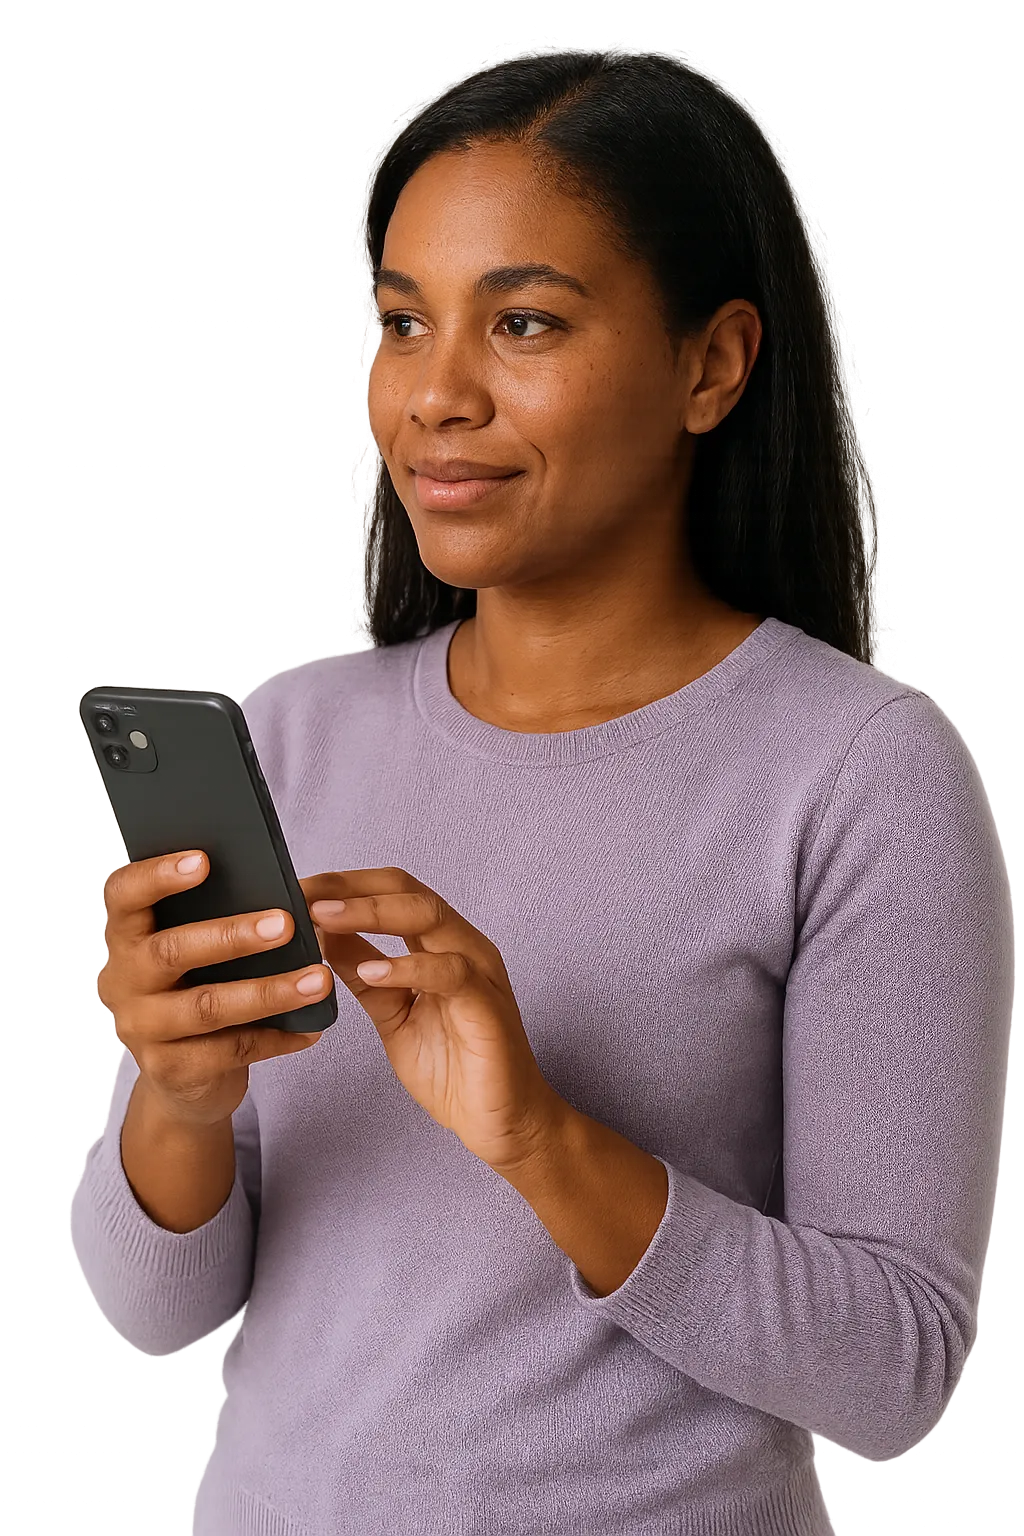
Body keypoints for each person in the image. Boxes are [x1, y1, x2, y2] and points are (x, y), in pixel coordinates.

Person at [65, 51, 1014, 1536]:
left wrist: (540, 1139)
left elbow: (892, 1370)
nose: (436, 395)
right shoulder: (290, 735)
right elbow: (158, 1309)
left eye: (523, 322)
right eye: (402, 322)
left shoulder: (856, 774)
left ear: (712, 366)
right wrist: (179, 1100)